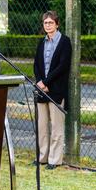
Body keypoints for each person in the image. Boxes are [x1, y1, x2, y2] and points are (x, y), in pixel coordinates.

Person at [34, 10, 72, 170]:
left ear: (57, 24)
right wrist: (39, 82)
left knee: (56, 126)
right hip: (42, 89)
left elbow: (63, 66)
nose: (48, 25)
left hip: (56, 90)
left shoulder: (64, 42)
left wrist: (47, 82)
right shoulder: (42, 42)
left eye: (51, 22)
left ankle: (54, 160)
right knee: (42, 126)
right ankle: (42, 157)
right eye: (45, 22)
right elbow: (36, 64)